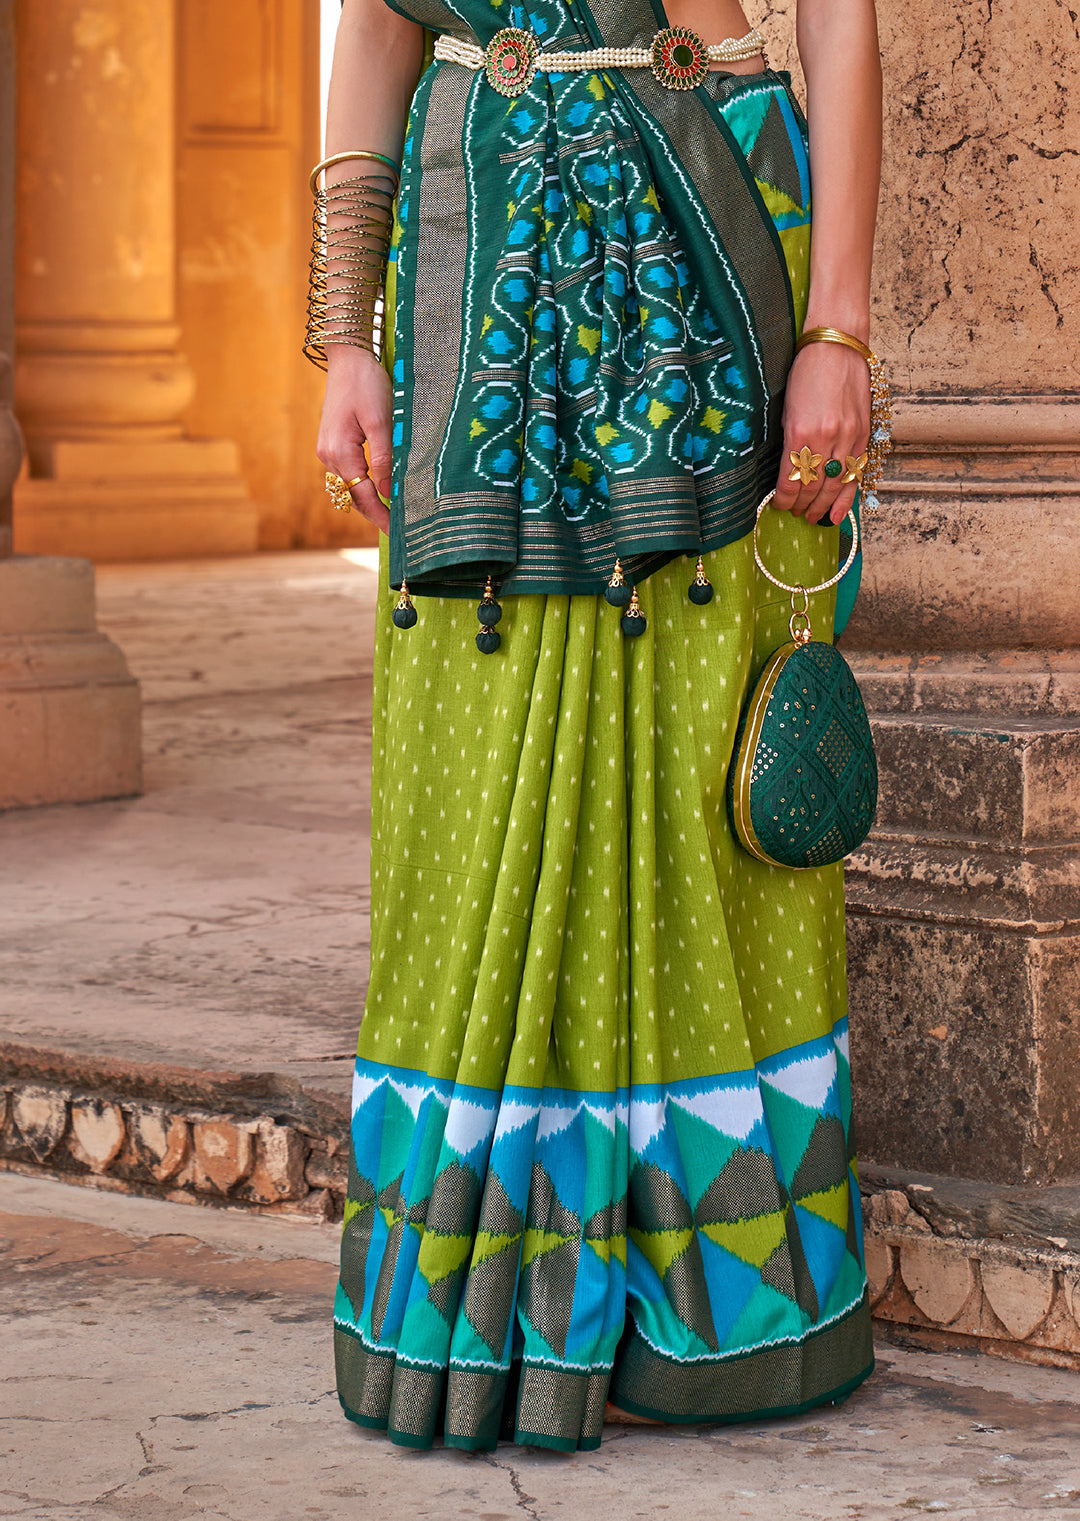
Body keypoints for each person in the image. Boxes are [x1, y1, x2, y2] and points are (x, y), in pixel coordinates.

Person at [312, 0, 883, 1454]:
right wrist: (342, 340)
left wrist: (841, 330)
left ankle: (705, 1314)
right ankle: (488, 1294)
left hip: (707, 237)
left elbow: (841, 21)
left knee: (704, 798)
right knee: (469, 791)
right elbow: (379, 28)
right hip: (470, 288)